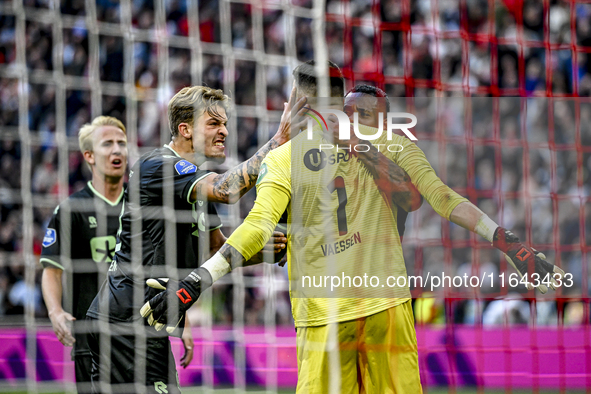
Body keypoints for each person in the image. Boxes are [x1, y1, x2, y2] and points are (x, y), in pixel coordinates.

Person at [141, 62, 565, 393]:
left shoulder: (284, 157)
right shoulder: (394, 142)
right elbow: (443, 199)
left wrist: (195, 282)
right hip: (384, 307)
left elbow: (255, 227)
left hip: (323, 314)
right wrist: (510, 243)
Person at [86, 86, 305, 393]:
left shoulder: (196, 186)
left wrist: (262, 251)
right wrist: (278, 142)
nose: (225, 131)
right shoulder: (157, 164)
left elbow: (216, 248)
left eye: (225, 123)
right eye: (214, 123)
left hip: (151, 317)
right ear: (185, 129)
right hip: (126, 317)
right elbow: (229, 189)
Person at [40, 116, 133, 394]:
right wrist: (55, 311)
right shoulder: (71, 210)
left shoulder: (144, 206)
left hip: (141, 336)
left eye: (122, 143)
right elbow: (52, 271)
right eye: (108, 144)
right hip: (90, 341)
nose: (117, 150)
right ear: (89, 156)